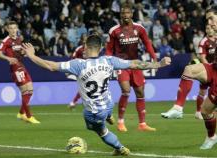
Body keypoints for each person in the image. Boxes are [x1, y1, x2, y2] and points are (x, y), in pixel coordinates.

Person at [22, 34, 171, 155]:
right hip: (108, 104)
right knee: (105, 108)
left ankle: (120, 148)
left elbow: (50, 66)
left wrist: (31, 56)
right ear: (100, 48)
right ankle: (109, 116)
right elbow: (136, 64)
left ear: (85, 47)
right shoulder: (109, 61)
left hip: (93, 112)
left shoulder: (78, 64)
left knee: (100, 131)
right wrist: (158, 64)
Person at [161, 6, 217, 149]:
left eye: (211, 19)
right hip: (214, 68)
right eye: (207, 20)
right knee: (189, 70)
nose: (209, 23)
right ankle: (178, 108)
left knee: (205, 111)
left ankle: (211, 137)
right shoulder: (209, 38)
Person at [106, 5, 158, 132]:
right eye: (123, 13)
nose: (125, 15)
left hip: (135, 64)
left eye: (127, 12)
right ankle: (120, 122)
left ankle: (142, 124)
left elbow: (147, 43)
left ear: (131, 14)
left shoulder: (139, 28)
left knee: (140, 92)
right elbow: (109, 49)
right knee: (126, 90)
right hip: (121, 64)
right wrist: (107, 63)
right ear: (120, 15)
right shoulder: (114, 31)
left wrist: (154, 58)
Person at [162, 24, 216, 120]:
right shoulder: (204, 41)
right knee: (200, 89)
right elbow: (202, 57)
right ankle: (183, 109)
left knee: (210, 106)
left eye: (211, 26)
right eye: (207, 27)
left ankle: (211, 134)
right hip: (211, 68)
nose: (209, 29)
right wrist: (209, 69)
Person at [0, 21, 40, 124]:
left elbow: (20, 53)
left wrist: (23, 52)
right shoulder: (6, 40)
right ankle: (28, 116)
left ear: (17, 29)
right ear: (7, 29)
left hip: (21, 65)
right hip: (15, 68)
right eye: (10, 28)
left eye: (14, 28)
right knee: (25, 91)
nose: (13, 30)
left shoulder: (19, 39)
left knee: (30, 90)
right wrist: (8, 58)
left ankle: (21, 113)